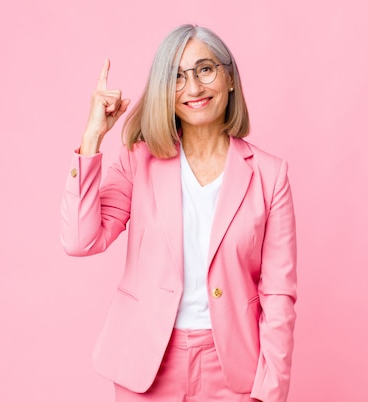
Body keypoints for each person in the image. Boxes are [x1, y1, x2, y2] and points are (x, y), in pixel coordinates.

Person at [61, 24, 297, 402]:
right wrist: (92, 138)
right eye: (176, 76)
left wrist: (271, 389)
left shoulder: (270, 175)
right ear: (163, 92)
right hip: (146, 364)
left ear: (230, 78)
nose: (193, 88)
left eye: (205, 69)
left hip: (234, 370)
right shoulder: (139, 161)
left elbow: (279, 292)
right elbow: (80, 240)